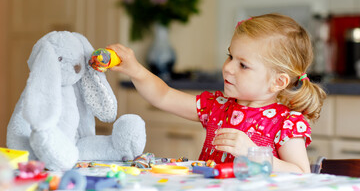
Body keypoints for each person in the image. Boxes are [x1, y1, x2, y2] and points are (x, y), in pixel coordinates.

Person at [107, 13, 326, 173]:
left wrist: (254, 153)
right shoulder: (218, 105)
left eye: (243, 65)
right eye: (230, 56)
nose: (228, 67)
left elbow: (301, 174)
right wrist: (135, 69)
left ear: (278, 82)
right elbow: (163, 96)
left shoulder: (286, 122)